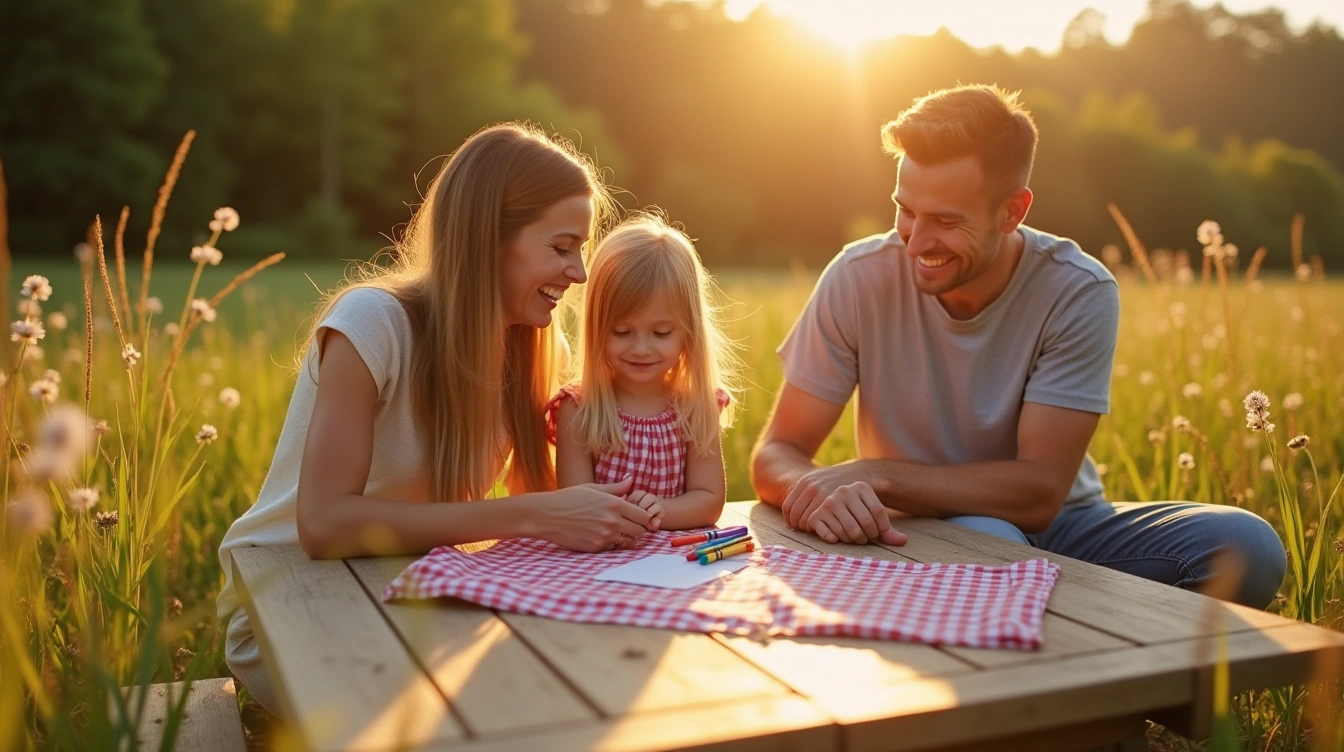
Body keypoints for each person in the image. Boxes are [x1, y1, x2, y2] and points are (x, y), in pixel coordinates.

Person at [749, 85, 1285, 609]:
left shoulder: (1077, 289)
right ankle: (1060, 627)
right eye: (906, 210)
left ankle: (1058, 626)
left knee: (1247, 547)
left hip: (1065, 528)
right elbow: (778, 452)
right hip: (917, 532)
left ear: (1013, 211)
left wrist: (877, 474)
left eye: (946, 220)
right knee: (984, 539)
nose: (915, 239)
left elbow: (1039, 491)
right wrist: (819, 493)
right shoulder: (856, 277)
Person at [217, 123, 658, 712]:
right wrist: (537, 514)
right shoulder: (373, 324)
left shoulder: (538, 350)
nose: (578, 273)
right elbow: (322, 526)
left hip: (414, 594)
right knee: (487, 706)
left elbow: (548, 515)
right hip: (294, 607)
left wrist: (619, 513)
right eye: (560, 247)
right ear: (486, 240)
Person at [547, 215, 739, 531]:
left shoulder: (694, 406)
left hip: (677, 563)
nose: (640, 348)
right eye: (621, 331)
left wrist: (659, 511)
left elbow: (708, 501)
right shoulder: (580, 408)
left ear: (688, 332)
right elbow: (576, 505)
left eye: (661, 333)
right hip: (597, 562)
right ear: (597, 327)